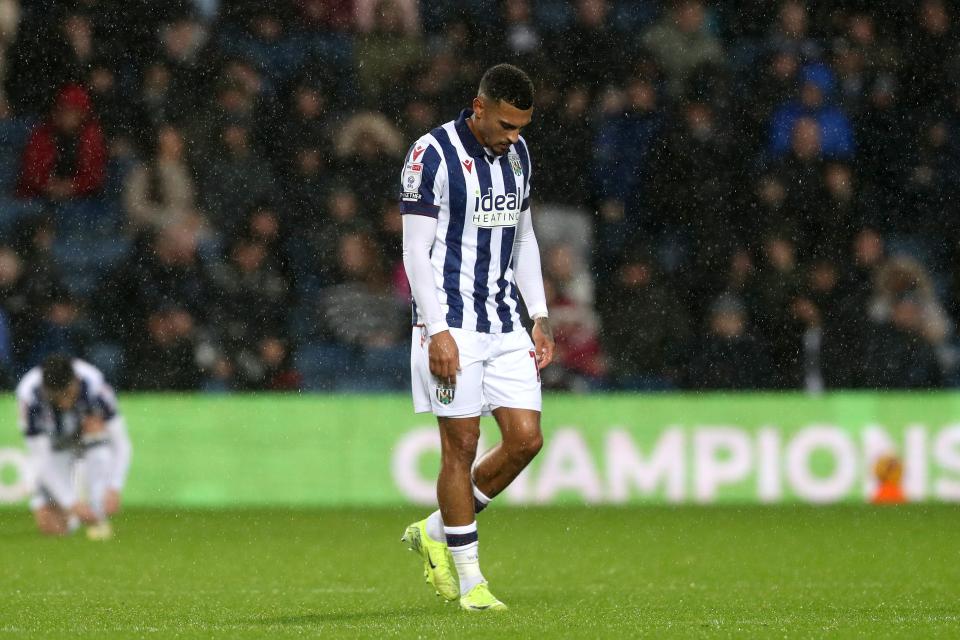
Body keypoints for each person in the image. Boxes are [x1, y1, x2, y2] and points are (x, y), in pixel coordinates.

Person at [399, 63, 554, 612]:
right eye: (508, 125)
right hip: (452, 324)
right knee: (460, 447)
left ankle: (436, 530)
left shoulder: (519, 155)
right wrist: (436, 330)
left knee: (525, 440)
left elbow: (525, 237)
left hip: (504, 319)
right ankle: (470, 582)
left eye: (523, 127)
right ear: (479, 106)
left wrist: (538, 313)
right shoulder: (431, 154)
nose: (516, 137)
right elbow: (416, 250)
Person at [16, 353, 132, 539]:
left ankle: (97, 508)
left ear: (76, 381)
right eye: (56, 397)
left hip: (88, 437)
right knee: (52, 528)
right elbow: (41, 458)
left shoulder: (95, 385)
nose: (64, 403)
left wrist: (114, 487)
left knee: (97, 431)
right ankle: (76, 515)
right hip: (56, 446)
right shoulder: (29, 396)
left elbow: (121, 442)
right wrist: (72, 504)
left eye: (68, 394)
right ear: (46, 391)